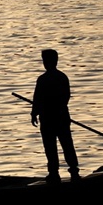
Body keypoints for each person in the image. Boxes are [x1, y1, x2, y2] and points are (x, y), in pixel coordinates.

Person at [30, 49, 79, 183]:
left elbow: (38, 99)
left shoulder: (44, 79)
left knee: (54, 145)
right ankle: (71, 170)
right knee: (64, 143)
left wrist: (35, 113)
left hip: (50, 117)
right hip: (59, 116)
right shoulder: (62, 77)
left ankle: (56, 172)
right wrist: (35, 112)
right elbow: (64, 97)